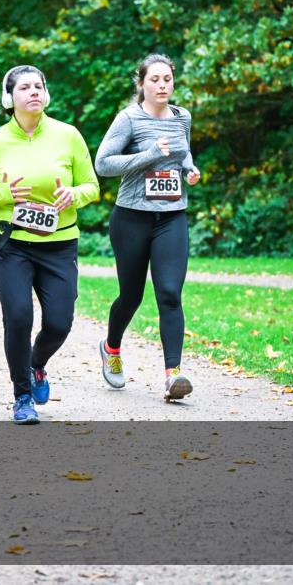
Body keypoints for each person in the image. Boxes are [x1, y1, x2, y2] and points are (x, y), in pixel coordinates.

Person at [0, 65, 99, 424]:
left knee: (60, 323)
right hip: (11, 244)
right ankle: (22, 395)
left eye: (39, 86)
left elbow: (92, 187)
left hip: (60, 242)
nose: (34, 92)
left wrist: (74, 195)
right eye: (24, 87)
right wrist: (3, 195)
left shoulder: (68, 135)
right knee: (19, 316)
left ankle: (36, 363)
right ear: (9, 98)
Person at [94, 54, 201, 403]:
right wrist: (150, 153)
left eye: (167, 79)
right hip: (132, 218)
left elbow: (183, 154)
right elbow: (103, 164)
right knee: (132, 295)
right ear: (141, 84)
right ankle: (111, 347)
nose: (162, 85)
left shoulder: (182, 117)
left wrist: (189, 170)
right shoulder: (129, 119)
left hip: (172, 216)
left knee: (169, 293)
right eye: (154, 79)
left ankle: (173, 376)